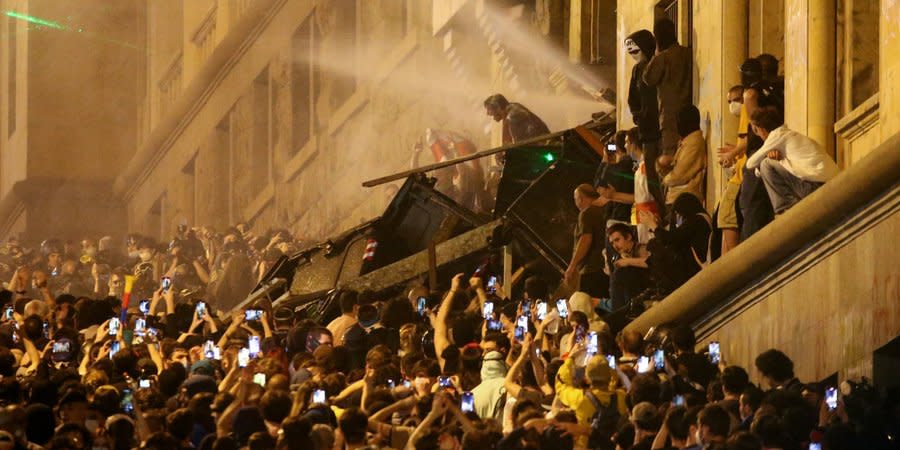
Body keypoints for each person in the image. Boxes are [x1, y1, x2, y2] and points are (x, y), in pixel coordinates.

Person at [745, 107, 838, 214]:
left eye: (755, 131)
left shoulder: (776, 136)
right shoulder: (788, 134)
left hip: (815, 185)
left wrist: (766, 157)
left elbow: (750, 164)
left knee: (766, 164)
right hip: (827, 182)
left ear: (761, 129)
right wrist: (773, 157)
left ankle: (786, 207)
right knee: (767, 163)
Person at [625, 29, 665, 211]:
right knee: (652, 177)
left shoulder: (658, 64)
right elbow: (632, 98)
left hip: (664, 130)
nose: (632, 55)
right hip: (648, 133)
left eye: (635, 50)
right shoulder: (637, 70)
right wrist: (638, 116)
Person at [643, 19, 693, 157]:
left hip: (670, 119)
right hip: (690, 114)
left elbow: (648, 78)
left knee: (670, 158)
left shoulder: (663, 58)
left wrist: (656, 53)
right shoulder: (687, 54)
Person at [658, 105, 707, 209]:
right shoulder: (686, 141)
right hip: (677, 198)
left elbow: (679, 175)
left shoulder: (694, 142)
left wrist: (666, 179)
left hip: (684, 198)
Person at [566, 184, 609, 298]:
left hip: (591, 268)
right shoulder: (602, 209)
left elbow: (585, 239)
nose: (576, 203)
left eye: (575, 199)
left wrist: (572, 266)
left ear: (580, 198)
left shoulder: (585, 214)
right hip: (604, 264)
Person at [717, 85, 745, 256]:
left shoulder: (748, 113)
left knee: (726, 215)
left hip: (740, 178)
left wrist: (733, 153)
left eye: (736, 100)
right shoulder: (743, 116)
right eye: (729, 101)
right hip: (738, 173)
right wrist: (735, 151)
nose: (732, 105)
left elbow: (748, 142)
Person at [605, 224, 650, 311]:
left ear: (628, 237)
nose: (615, 246)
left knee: (621, 272)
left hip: (646, 288)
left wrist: (627, 262)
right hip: (632, 295)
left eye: (617, 240)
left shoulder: (641, 248)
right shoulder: (622, 255)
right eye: (612, 243)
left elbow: (650, 262)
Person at [483, 94, 550, 145]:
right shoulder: (512, 108)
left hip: (546, 147)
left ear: (498, 107)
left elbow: (519, 146)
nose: (487, 113)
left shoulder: (513, 116)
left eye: (489, 109)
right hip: (543, 146)